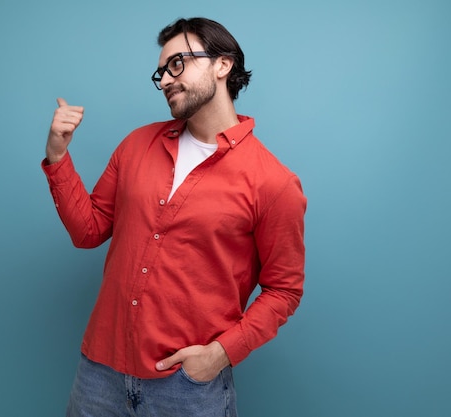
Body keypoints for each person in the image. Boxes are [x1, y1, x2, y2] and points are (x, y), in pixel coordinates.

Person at [42, 17, 307, 417]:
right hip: (100, 370)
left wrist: (220, 354)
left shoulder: (273, 182)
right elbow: (89, 230)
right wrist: (58, 156)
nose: (165, 79)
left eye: (178, 63)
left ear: (223, 65)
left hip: (186, 388)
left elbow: (284, 291)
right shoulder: (136, 145)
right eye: (162, 71)